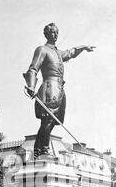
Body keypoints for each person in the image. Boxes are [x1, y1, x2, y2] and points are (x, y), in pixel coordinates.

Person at [23, 22, 95, 159]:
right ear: (46, 34)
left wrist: (83, 47)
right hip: (49, 88)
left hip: (59, 90)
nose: (55, 35)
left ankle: (39, 148)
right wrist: (31, 86)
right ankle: (42, 150)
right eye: (52, 32)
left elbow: (70, 53)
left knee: (54, 121)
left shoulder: (57, 52)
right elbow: (33, 69)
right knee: (47, 120)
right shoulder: (42, 50)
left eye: (56, 32)